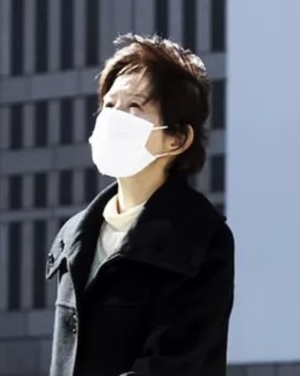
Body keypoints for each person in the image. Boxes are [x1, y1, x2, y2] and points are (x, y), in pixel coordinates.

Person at [45, 33, 234, 376]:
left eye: (135, 107)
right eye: (109, 106)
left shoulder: (200, 237)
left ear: (177, 138)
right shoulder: (75, 235)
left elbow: (170, 364)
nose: (114, 118)